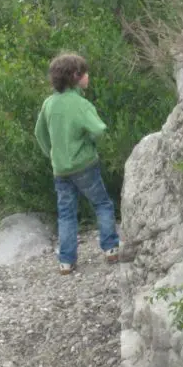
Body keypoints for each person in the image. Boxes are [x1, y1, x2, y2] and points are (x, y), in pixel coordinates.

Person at [35, 53, 119, 275]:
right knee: (102, 204)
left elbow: (39, 133)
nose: (88, 76)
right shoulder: (80, 104)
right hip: (84, 165)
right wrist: (90, 145)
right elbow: (99, 129)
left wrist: (51, 153)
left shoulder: (49, 103)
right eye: (84, 72)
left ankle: (66, 261)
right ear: (75, 76)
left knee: (66, 213)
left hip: (60, 169)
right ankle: (110, 248)